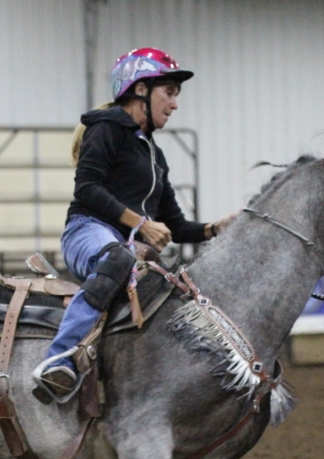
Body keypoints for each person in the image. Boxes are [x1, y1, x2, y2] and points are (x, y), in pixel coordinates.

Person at [34, 47, 232, 399]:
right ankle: (57, 362)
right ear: (140, 89)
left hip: (128, 247)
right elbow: (87, 188)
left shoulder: (156, 156)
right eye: (169, 93)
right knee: (118, 258)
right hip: (87, 231)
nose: (175, 104)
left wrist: (216, 228)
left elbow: (175, 226)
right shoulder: (106, 129)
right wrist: (141, 224)